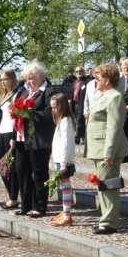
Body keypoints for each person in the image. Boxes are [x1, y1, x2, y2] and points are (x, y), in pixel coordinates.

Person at [86, 63, 128, 234]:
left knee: (108, 185)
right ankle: (105, 217)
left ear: (108, 80)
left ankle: (109, 222)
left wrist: (108, 152)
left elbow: (114, 127)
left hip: (106, 148)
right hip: (97, 147)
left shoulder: (114, 97)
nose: (97, 80)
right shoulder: (101, 95)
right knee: (102, 184)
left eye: (100, 77)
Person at [14, 60, 56, 218]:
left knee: (38, 174)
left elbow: (49, 115)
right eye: (26, 78)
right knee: (22, 172)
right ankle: (25, 205)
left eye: (31, 77)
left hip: (39, 139)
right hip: (22, 138)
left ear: (41, 76)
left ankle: (39, 206)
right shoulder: (24, 92)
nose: (28, 81)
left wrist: (30, 113)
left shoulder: (48, 92)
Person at [48, 93, 76, 226]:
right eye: (52, 107)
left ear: (62, 106)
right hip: (60, 159)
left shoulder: (66, 121)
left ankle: (67, 214)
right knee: (63, 185)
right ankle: (65, 212)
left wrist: (63, 163)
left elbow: (66, 143)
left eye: (54, 107)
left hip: (65, 160)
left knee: (65, 186)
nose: (53, 110)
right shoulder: (61, 121)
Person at [0, 70, 19, 210]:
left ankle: (13, 198)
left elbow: (17, 117)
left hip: (11, 132)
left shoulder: (17, 93)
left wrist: (14, 136)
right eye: (1, 80)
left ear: (12, 79)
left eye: (5, 79)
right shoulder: (3, 94)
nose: (3, 82)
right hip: (2, 131)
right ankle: (11, 194)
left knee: (10, 166)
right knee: (0, 165)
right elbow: (0, 117)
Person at [71, 66, 89, 144]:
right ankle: (82, 136)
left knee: (80, 120)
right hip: (75, 104)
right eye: (77, 71)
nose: (79, 73)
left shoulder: (87, 82)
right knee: (77, 120)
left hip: (83, 103)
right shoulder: (75, 82)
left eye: (80, 71)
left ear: (83, 72)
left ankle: (77, 137)